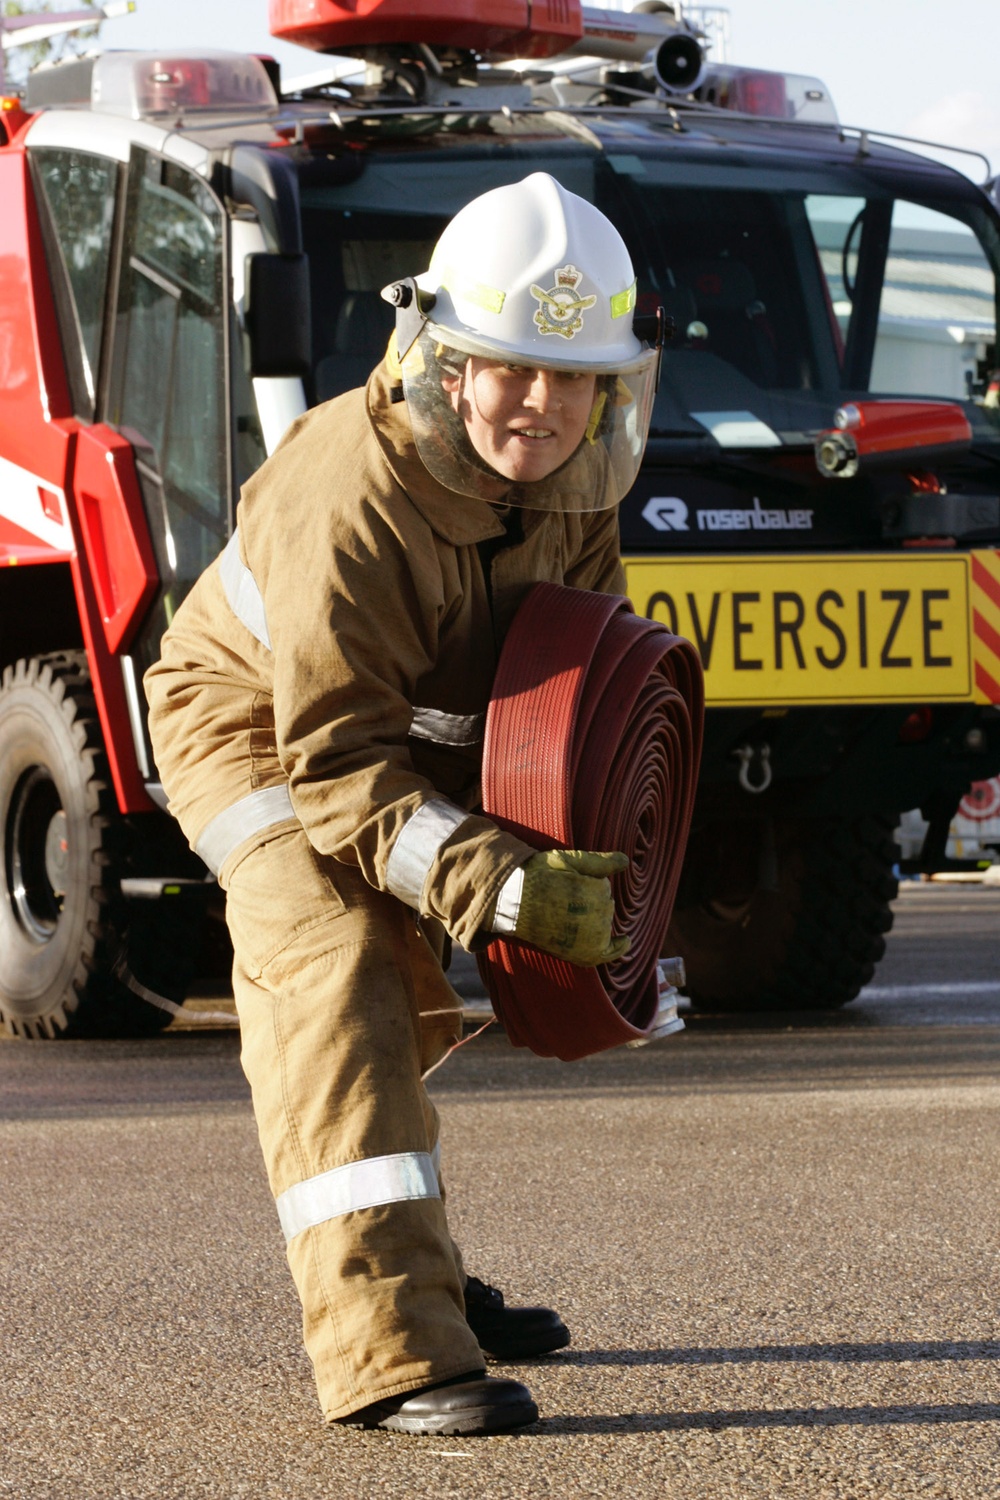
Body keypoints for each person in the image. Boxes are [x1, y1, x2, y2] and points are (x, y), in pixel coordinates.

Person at [144, 172, 661, 1437]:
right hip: (256, 730)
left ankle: (421, 1272)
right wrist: (499, 880)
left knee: (410, 965)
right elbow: (331, 764)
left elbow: (577, 682)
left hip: (394, 740)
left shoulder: (577, 483)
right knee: (340, 960)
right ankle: (390, 1349)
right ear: (440, 355)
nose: (542, 405)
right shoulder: (348, 487)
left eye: (574, 375)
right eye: (508, 368)